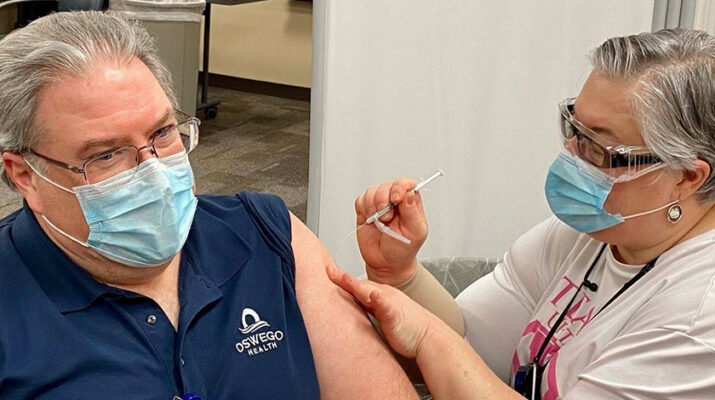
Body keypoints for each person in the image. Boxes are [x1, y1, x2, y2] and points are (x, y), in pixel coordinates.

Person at [0, 11, 419, 399]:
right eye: (106, 155)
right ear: (24, 175)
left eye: (163, 132)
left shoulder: (265, 235)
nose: (156, 173)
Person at [330, 28, 715, 399]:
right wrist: (401, 275)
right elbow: (472, 345)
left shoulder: (698, 320)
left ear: (686, 176)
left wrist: (429, 340)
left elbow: (447, 351)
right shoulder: (597, 233)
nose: (571, 153)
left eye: (600, 147)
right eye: (573, 127)